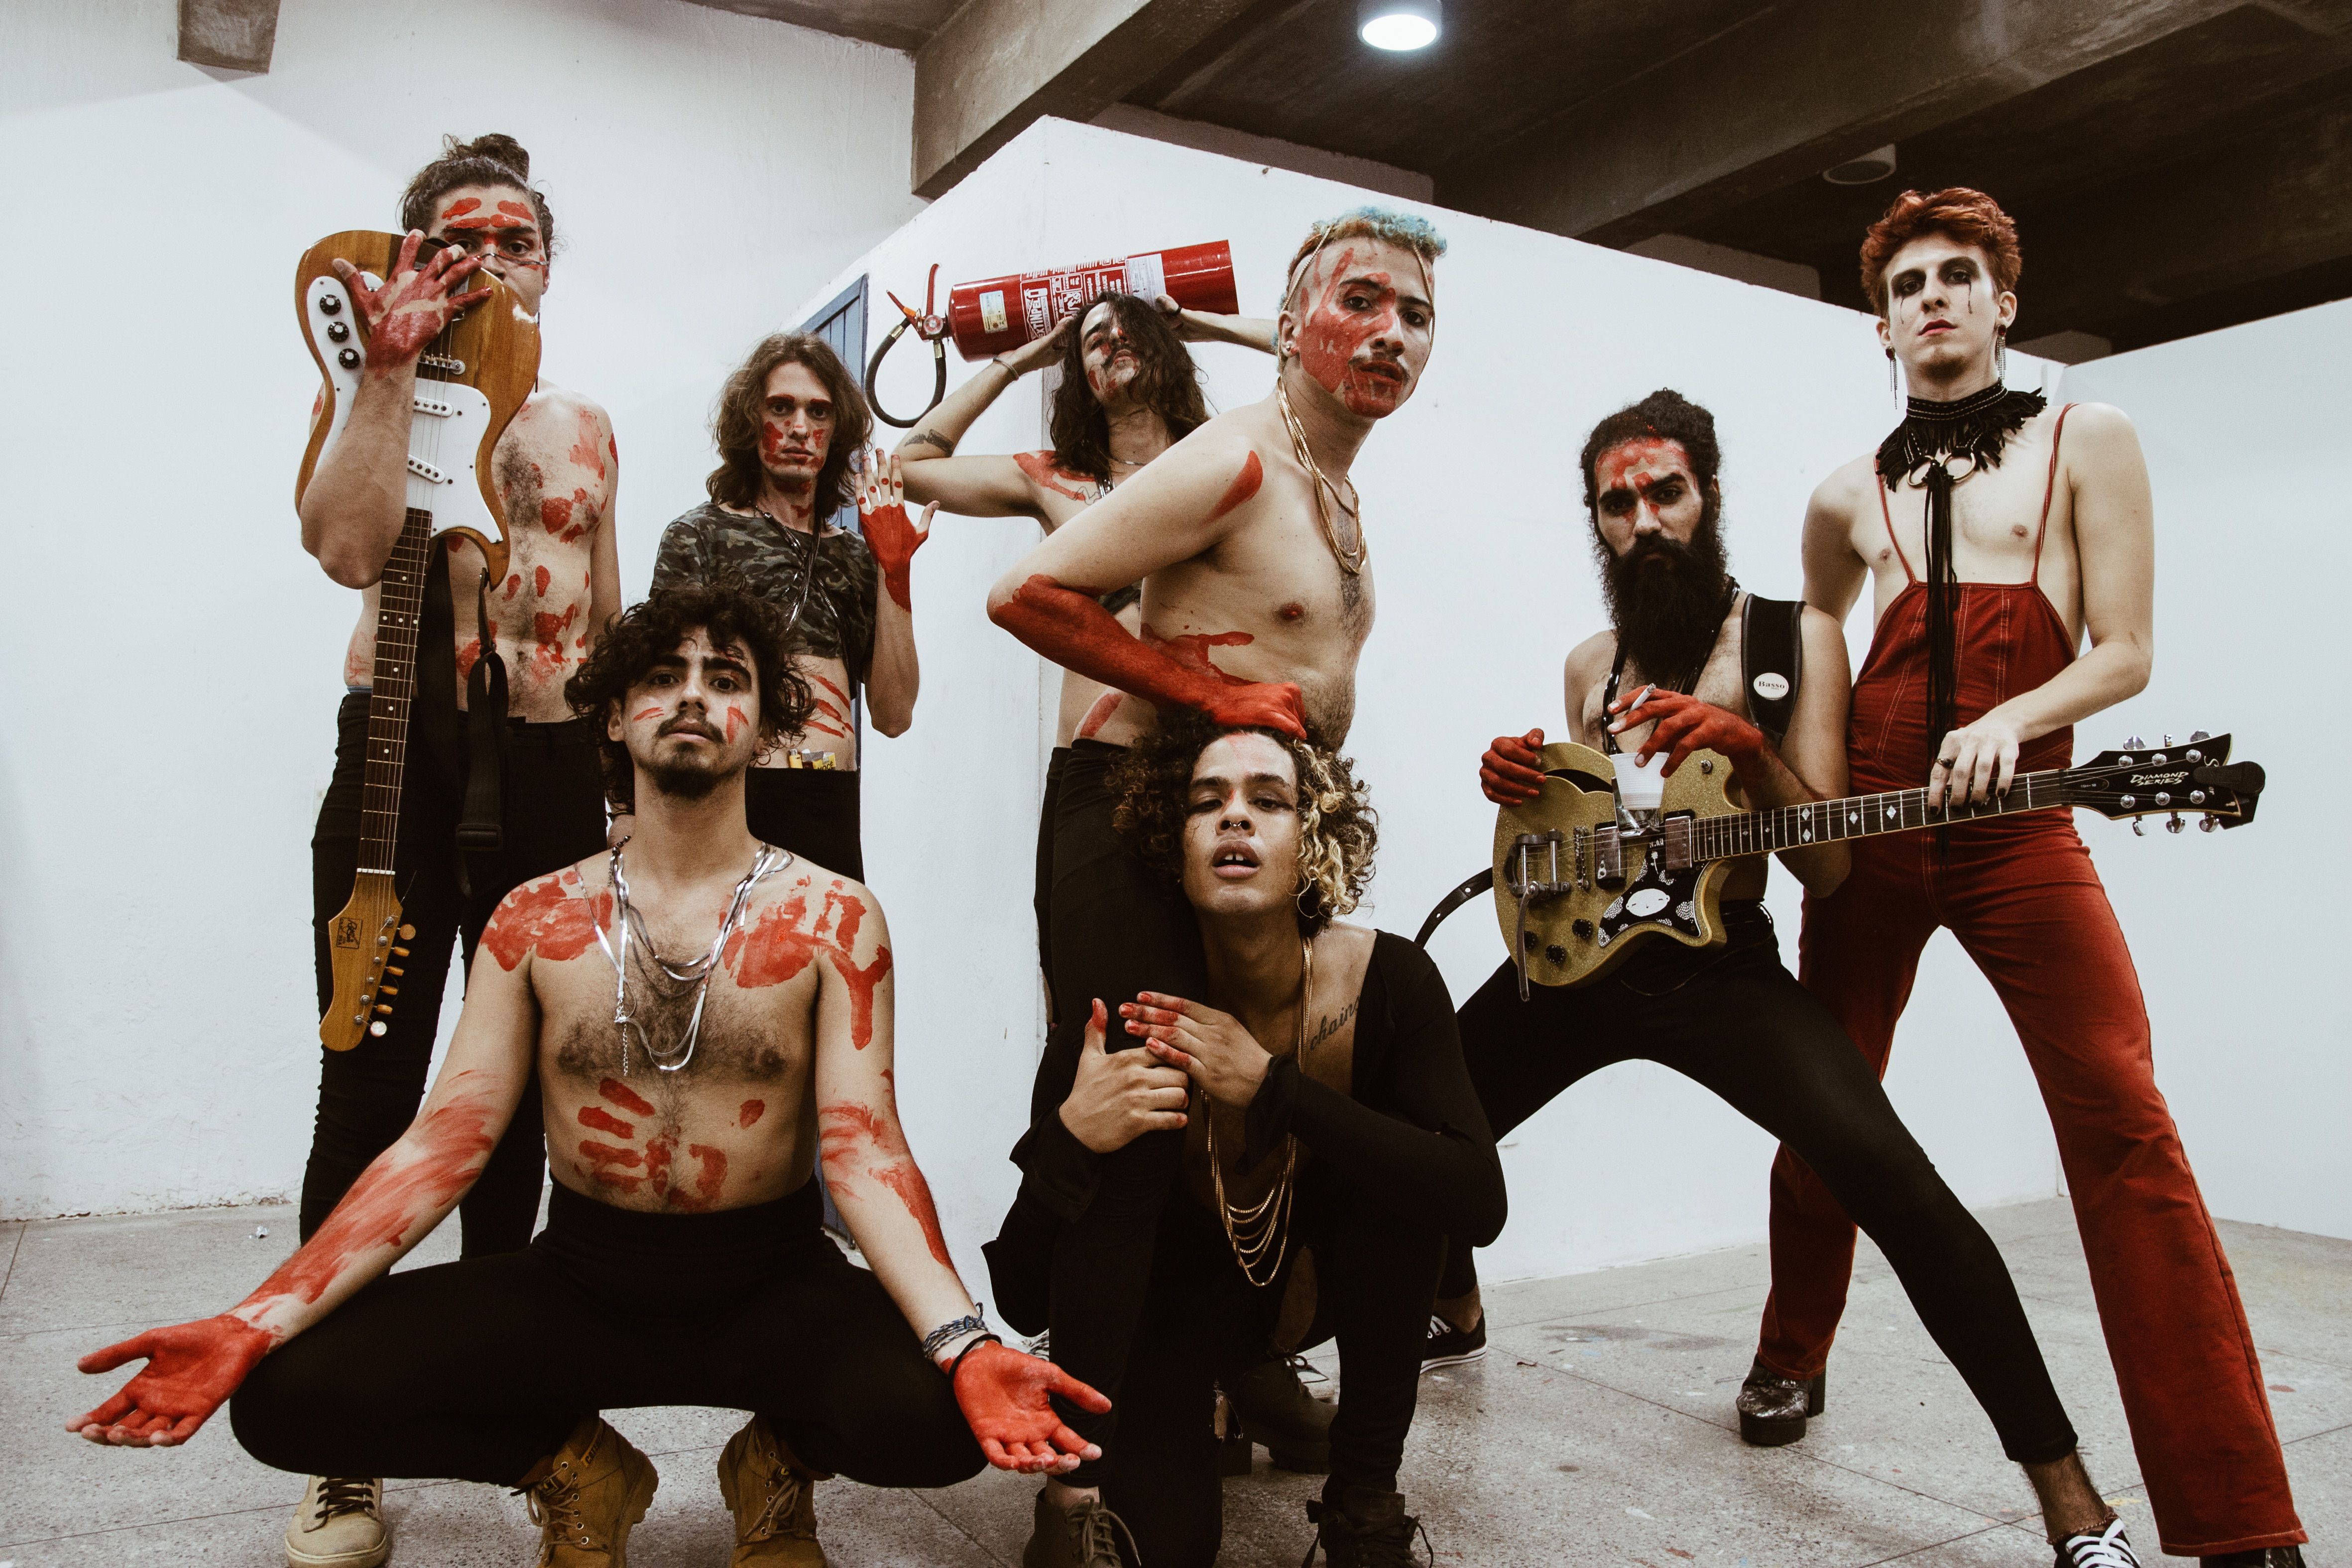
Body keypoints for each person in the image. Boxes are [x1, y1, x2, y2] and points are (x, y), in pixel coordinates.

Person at [69, 583, 1107, 1568]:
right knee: (281, 1395)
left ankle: (774, 1463)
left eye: (727, 677)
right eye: (662, 675)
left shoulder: (835, 915)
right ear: (612, 716)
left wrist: (965, 1341)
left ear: (762, 725)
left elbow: (864, 1145)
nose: (694, 695)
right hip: (581, 1277)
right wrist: (255, 1317)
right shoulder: (533, 917)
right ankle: (575, 1469)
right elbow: (446, 1140)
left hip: (773, 1284)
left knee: (943, 1416)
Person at [1465, 389, 2136, 1567]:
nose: (1643, 520)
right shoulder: (1589, 665)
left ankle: (2068, 1497)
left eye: (1664, 491)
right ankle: (1447, 1300)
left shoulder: (1792, 639)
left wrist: (1748, 748)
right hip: (1584, 965)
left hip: (1721, 968)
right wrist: (1518, 779)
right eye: (1616, 503)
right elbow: (1583, 828)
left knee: (1895, 1180)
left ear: (1708, 495)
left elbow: (1827, 866)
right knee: (1413, 1104)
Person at [1752, 188, 2308, 1568]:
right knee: (1826, 1104)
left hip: (2018, 832)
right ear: (1879, 327)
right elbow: (1810, 646)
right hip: (1872, 834)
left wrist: (2009, 717)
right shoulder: (1842, 495)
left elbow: (2124, 647)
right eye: (1904, 286)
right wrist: (1810, 813)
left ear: (2002, 303)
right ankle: (1788, 1349)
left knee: (2123, 1122)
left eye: (1956, 276)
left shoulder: (2083, 437)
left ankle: (2235, 1511)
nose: (1930, 297)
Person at [980, 206, 1442, 1568]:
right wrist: (1206, 692)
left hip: (1244, 828)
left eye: (1414, 316)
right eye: (1359, 301)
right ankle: (1073, 1492)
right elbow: (1029, 591)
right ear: (1293, 323)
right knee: (1135, 1119)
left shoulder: (1334, 490)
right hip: (1132, 813)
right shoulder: (1239, 452)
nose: (1390, 333)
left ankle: (1237, 1365)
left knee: (1261, 1112)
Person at [290, 131, 621, 1567]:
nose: (491, 257)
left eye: (516, 239)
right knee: (368, 1091)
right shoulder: (366, 386)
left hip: (549, 769)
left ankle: (519, 1421)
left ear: (547, 264)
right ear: (417, 257)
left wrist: (620, 799)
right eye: (461, 238)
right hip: (397, 760)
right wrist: (383, 373)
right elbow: (343, 549)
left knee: (522, 1110)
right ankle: (338, 1438)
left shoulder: (586, 425)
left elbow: (606, 621)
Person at [1052, 716, 1503, 1566]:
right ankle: (1216, 1404)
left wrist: (1273, 1087)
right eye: (1205, 802)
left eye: (1268, 800)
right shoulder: (1129, 1007)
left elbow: (1477, 1198)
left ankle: (1363, 1499)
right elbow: (1024, 1289)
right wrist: (1071, 1139)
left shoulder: (1391, 979)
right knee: (1170, 1548)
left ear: (1313, 839)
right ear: (1171, 844)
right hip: (1185, 1312)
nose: (1234, 815)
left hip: (1322, 1283)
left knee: (1400, 1169)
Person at [894, 287, 1273, 1011]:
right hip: (1096, 771)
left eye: (1132, 329)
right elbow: (907, 464)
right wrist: (1020, 360)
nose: (1114, 339)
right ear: (1080, 376)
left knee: (1220, 989)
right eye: (1094, 338)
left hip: (1212, 756)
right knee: (1086, 992)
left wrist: (1203, 323)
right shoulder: (1055, 480)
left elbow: (1310, 365)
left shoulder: (1224, 462)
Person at [649, 334, 923, 882]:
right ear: (751, 421)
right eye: (781, 407)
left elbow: (893, 716)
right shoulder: (701, 535)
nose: (800, 427)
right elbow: (660, 686)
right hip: (732, 798)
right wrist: (628, 810)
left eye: (818, 412)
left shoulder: (853, 554)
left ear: (836, 429)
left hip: (829, 802)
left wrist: (894, 571)